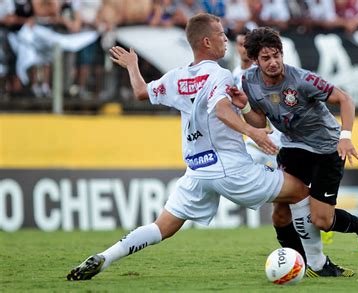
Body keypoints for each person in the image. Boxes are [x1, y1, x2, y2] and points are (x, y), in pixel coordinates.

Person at [66, 13, 343, 281]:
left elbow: (141, 92)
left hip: (197, 169)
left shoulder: (176, 76)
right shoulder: (219, 75)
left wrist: (132, 66)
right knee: (299, 192)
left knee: (161, 227)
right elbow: (222, 109)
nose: (226, 39)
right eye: (221, 35)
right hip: (229, 167)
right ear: (207, 42)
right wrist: (253, 132)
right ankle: (317, 263)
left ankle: (106, 256)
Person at [226, 27, 358, 262]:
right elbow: (260, 121)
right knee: (281, 214)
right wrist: (245, 106)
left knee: (321, 220)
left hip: (326, 148)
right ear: (255, 60)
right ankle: (299, 264)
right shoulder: (249, 81)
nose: (274, 62)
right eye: (266, 58)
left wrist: (345, 135)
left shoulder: (302, 80)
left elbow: (346, 99)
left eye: (277, 55)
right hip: (292, 148)